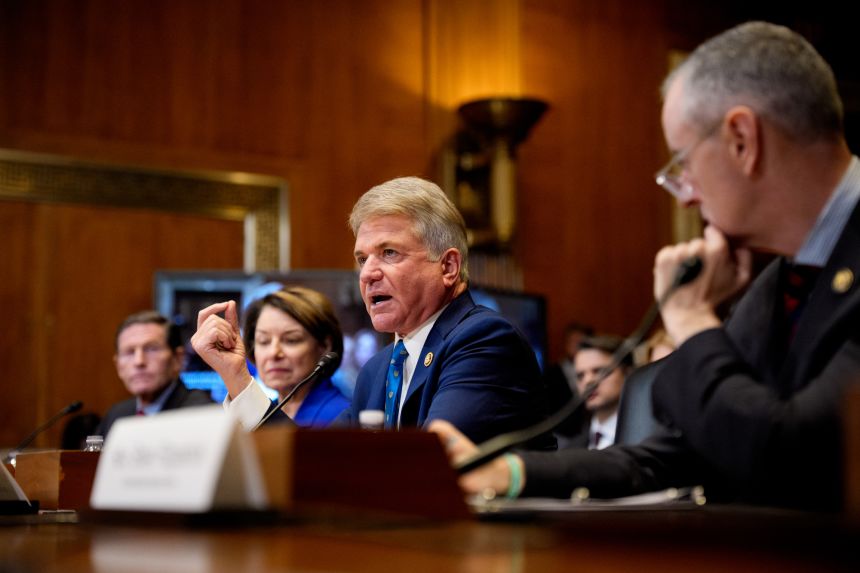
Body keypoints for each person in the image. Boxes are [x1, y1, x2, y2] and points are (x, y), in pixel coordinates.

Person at [431, 21, 860, 511]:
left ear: (742, 140)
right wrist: (505, 470)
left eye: (683, 162)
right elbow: (676, 456)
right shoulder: (778, 280)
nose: (687, 197)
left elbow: (793, 462)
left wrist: (692, 321)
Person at [193, 176, 553, 447]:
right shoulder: (379, 370)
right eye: (362, 259)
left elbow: (430, 464)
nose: (368, 273)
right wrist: (237, 376)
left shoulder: (484, 341)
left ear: (448, 267)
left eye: (390, 253)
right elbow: (316, 467)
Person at [238, 286, 349, 426]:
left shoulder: (342, 418)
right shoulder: (265, 413)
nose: (273, 353)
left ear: (324, 346)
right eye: (264, 341)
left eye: (291, 340)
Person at [98, 311, 213, 437]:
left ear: (178, 359)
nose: (139, 361)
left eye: (151, 349)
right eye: (129, 352)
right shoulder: (116, 415)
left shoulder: (200, 412)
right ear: (118, 365)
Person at [556, 335, 632, 450]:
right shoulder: (570, 450)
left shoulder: (647, 438)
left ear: (627, 373)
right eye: (580, 376)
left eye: (598, 371)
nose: (588, 381)